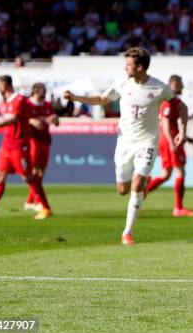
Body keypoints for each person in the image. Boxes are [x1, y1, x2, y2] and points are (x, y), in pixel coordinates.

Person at [63, 47, 174, 245]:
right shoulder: (122, 83)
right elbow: (102, 99)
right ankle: (141, 184)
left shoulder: (159, 87)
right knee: (122, 190)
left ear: (140, 67)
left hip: (147, 141)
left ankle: (127, 233)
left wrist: (180, 126)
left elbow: (177, 104)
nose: (125, 68)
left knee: (137, 183)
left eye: (128, 65)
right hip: (125, 142)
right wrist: (76, 97)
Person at [0, 75, 53, 220]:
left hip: (19, 145)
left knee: (27, 177)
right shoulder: (4, 102)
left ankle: (45, 208)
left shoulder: (19, 100)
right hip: (6, 145)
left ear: (4, 85)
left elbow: (12, 119)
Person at [145, 75, 193, 217]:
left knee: (166, 174)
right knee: (180, 172)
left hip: (169, 139)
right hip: (171, 140)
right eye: (181, 83)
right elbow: (166, 122)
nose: (183, 86)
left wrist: (186, 137)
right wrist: (170, 142)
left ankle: (142, 192)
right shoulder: (168, 101)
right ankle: (178, 208)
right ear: (174, 84)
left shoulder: (170, 100)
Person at [24, 82, 59, 211]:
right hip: (32, 140)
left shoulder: (48, 105)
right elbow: (21, 118)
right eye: (42, 91)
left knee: (41, 172)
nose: (44, 93)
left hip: (45, 140)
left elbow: (56, 122)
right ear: (35, 91)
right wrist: (32, 121)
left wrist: (54, 119)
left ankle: (30, 200)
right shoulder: (27, 104)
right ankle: (38, 201)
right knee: (33, 170)